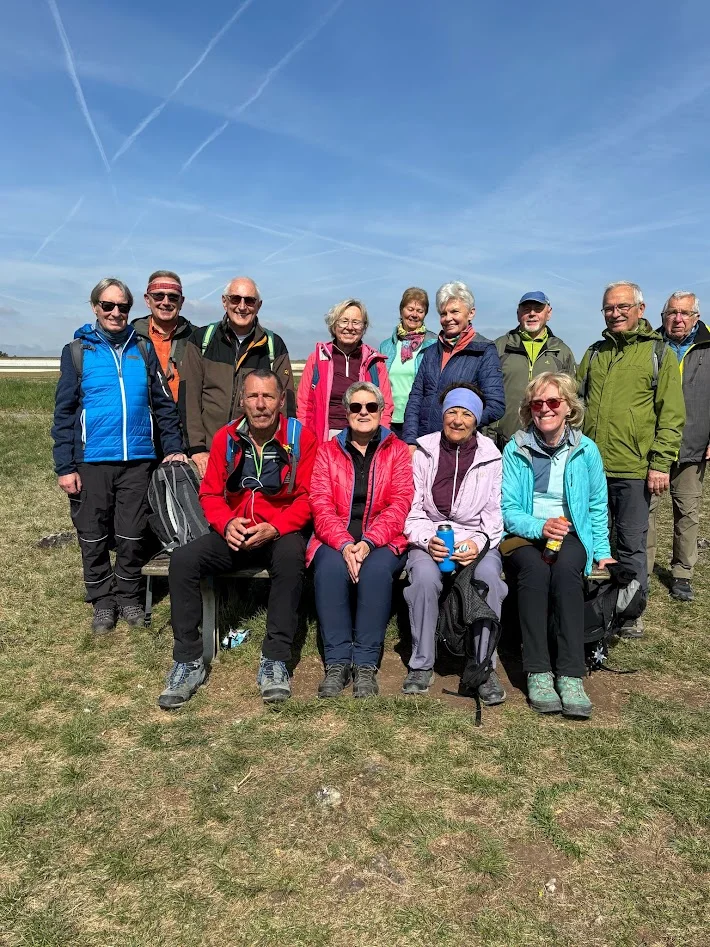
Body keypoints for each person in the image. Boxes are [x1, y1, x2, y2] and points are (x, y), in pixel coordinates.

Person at [158, 370, 318, 710]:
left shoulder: (301, 438)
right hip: (235, 533)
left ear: (281, 401)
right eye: (253, 397)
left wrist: (275, 527)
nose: (261, 405)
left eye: (268, 397)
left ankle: (275, 659)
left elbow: (307, 497)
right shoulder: (225, 438)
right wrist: (226, 522)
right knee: (183, 561)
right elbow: (210, 494)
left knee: (291, 560)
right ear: (242, 401)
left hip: (279, 532)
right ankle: (188, 660)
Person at [52, 278, 186, 634]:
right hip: (92, 460)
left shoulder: (141, 350)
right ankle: (101, 599)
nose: (115, 313)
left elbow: (163, 405)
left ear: (130, 310)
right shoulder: (78, 351)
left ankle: (127, 595)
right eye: (108, 306)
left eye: (122, 307)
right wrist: (65, 466)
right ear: (95, 307)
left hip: (139, 458)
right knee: (92, 533)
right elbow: (64, 414)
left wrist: (172, 447)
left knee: (131, 533)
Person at [502, 372, 616, 718]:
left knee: (567, 571)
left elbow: (597, 504)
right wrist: (540, 526)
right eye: (538, 404)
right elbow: (509, 510)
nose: (545, 409)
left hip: (570, 532)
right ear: (529, 410)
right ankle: (537, 670)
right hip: (525, 533)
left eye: (554, 402)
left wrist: (602, 551)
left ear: (569, 407)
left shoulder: (586, 450)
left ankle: (570, 673)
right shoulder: (515, 448)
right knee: (534, 572)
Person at [577, 281, 685, 637]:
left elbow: (671, 414)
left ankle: (629, 612)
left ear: (640, 309)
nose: (615, 313)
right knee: (593, 540)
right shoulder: (594, 353)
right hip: (592, 467)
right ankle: (596, 604)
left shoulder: (658, 354)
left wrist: (660, 462)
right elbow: (576, 402)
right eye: (609, 308)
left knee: (631, 543)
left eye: (622, 307)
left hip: (635, 468)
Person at [403, 384, 508, 704]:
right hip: (431, 535)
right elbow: (413, 509)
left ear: (476, 420)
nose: (458, 420)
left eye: (466, 414)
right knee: (423, 578)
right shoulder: (424, 451)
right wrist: (426, 540)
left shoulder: (491, 456)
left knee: (489, 579)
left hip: (478, 539)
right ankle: (421, 664)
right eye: (452, 412)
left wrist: (477, 543)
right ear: (443, 415)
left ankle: (482, 665)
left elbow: (494, 516)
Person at [307, 382, 413, 697]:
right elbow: (320, 503)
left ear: (382, 412)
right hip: (336, 534)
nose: (363, 412)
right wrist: (344, 544)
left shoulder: (397, 451)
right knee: (329, 570)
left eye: (371, 407)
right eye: (356, 407)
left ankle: (365, 663)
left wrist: (367, 543)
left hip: (382, 536)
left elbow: (400, 504)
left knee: (377, 572)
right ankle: (338, 661)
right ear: (346, 412)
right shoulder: (327, 452)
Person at [181, 276, 295, 479]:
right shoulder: (201, 340)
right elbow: (189, 397)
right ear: (224, 302)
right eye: (235, 299)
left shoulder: (274, 345)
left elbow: (285, 404)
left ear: (258, 306)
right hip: (208, 454)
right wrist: (197, 448)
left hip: (256, 455)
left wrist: (282, 449)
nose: (242, 306)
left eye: (249, 301)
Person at [647, 292, 709, 602]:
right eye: (672, 312)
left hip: (693, 442)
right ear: (662, 317)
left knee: (687, 511)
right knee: (645, 510)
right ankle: (640, 570)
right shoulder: (650, 346)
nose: (678, 318)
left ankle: (682, 573)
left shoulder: (708, 348)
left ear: (696, 316)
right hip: (652, 443)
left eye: (685, 313)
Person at [401, 281, 505, 450]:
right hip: (424, 444)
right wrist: (410, 440)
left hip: (461, 448)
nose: (448, 318)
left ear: (471, 313)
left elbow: (495, 405)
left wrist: (460, 425)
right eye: (443, 313)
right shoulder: (431, 352)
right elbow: (415, 400)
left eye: (454, 311)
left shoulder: (484, 351)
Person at [297, 299, 394, 443]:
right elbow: (304, 405)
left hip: (364, 440)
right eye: (343, 321)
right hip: (323, 440)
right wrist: (306, 440)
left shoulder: (375, 363)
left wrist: (378, 440)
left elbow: (385, 406)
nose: (349, 327)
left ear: (364, 327)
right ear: (333, 325)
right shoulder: (317, 359)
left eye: (356, 322)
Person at [490, 291, 576, 448]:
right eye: (526, 309)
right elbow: (485, 393)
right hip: (503, 442)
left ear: (548, 313)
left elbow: (572, 399)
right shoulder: (498, 348)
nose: (532, 314)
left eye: (538, 309)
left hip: (548, 443)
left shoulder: (562, 352)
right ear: (518, 314)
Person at [378, 287, 438, 435]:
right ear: (401, 310)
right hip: (389, 420)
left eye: (420, 311)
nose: (414, 314)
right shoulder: (385, 346)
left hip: (419, 421)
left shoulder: (434, 344)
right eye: (410, 309)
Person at [131, 270, 196, 403]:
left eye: (173, 297)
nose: (166, 302)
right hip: (142, 419)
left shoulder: (197, 338)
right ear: (147, 300)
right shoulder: (130, 337)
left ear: (181, 302)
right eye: (158, 296)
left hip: (183, 420)